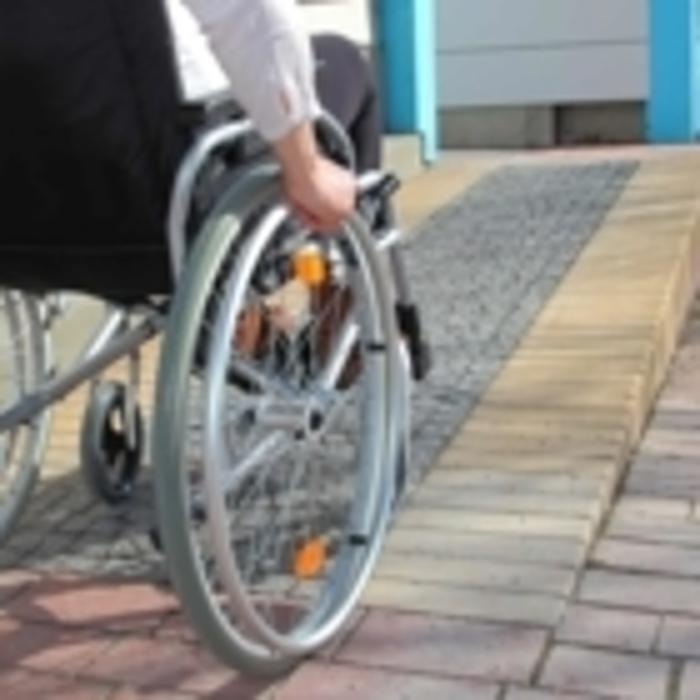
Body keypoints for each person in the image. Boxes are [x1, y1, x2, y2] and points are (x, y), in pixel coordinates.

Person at [167, 0, 381, 233]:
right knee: (347, 58)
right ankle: (360, 229)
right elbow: (257, 17)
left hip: (144, 186)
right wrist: (306, 172)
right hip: (204, 154)